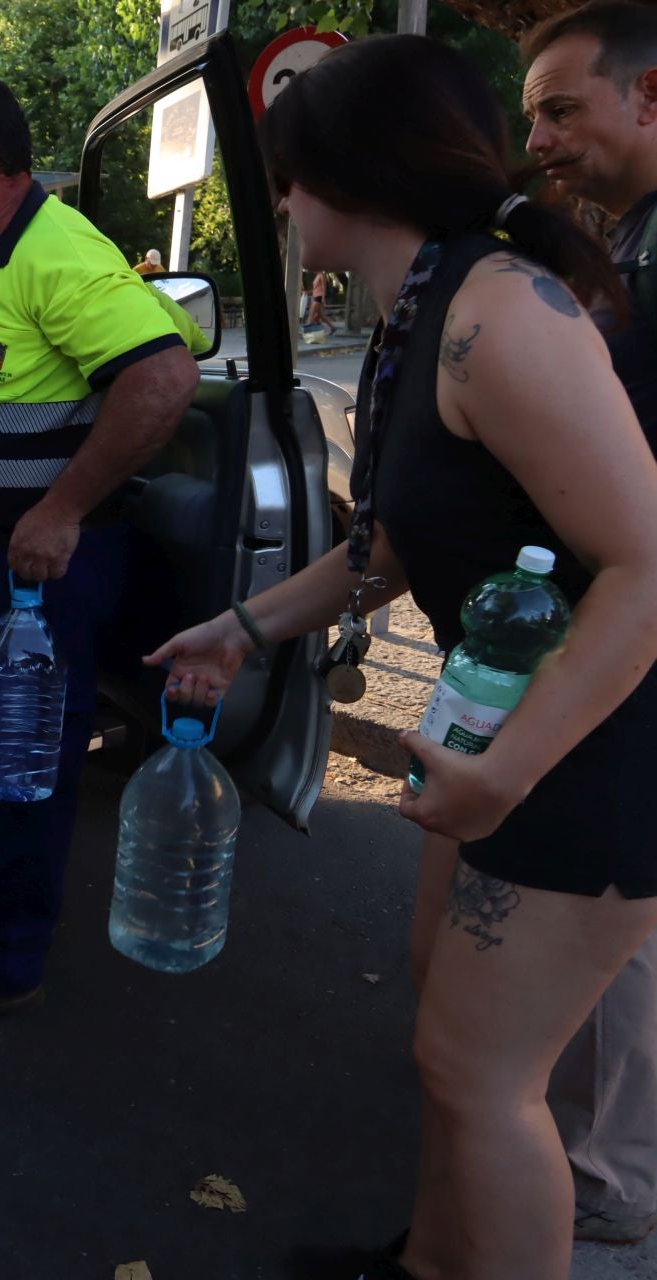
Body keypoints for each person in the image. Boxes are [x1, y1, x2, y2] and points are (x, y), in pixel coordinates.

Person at [149, 35, 657, 1280]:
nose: (279, 204)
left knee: (489, 1079)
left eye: (288, 177)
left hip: (583, 759)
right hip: (500, 746)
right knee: (448, 1046)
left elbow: (649, 566)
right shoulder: (422, 309)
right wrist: (247, 623)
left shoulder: (501, 318)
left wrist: (509, 771)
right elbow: (390, 544)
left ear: (349, 175)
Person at [0, 71, 200, 1022]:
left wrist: (63, 509)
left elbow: (162, 375)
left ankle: (5, 964)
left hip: (42, 574)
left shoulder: (55, 252)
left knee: (22, 765)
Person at [522, 0, 657, 1245]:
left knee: (633, 900)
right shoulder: (630, 243)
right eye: (532, 119)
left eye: (564, 109)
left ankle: (612, 1176)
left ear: (650, 96)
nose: (545, 142)